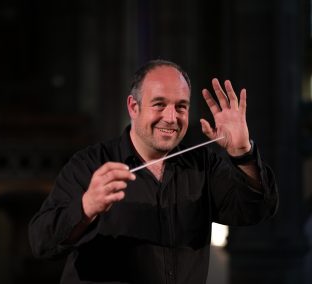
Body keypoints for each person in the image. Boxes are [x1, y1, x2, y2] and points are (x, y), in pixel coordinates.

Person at [28, 59, 278, 284]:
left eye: (181, 107)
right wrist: (86, 207)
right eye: (159, 104)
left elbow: (257, 209)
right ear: (133, 107)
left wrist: (242, 153)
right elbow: (41, 243)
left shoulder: (202, 165)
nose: (171, 118)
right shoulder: (89, 164)